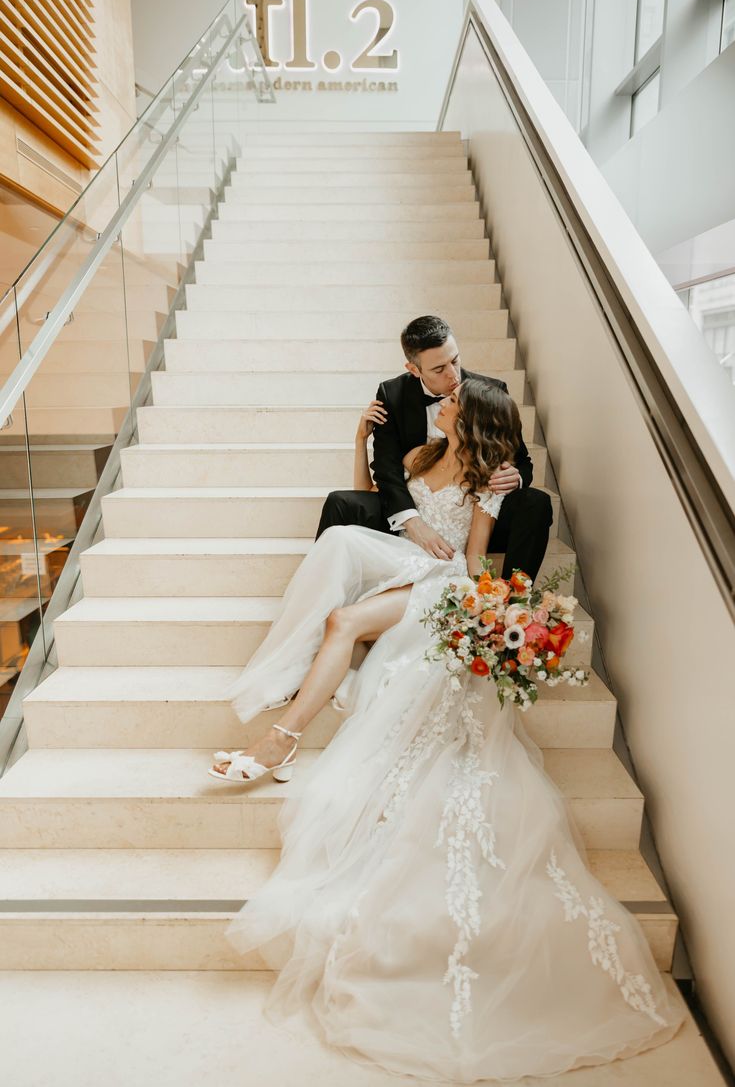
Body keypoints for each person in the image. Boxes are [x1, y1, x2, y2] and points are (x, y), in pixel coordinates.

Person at [209, 379, 684, 1083]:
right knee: (342, 543)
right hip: (401, 560)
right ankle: (289, 712)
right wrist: (358, 446)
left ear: (477, 417)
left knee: (345, 619)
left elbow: (473, 563)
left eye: (456, 402)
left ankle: (280, 734)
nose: (444, 403)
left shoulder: (490, 478)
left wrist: (452, 593)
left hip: (445, 585)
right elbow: (373, 511)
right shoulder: (423, 450)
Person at [317, 314, 553, 582]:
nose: (453, 375)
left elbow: (520, 458)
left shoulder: (489, 392)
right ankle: (322, 591)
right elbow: (386, 471)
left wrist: (517, 476)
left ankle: (514, 603)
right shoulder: (392, 395)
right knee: (341, 502)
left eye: (455, 360)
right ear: (414, 369)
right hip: (411, 508)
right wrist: (413, 522)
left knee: (537, 503)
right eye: (439, 369)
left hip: (473, 509)